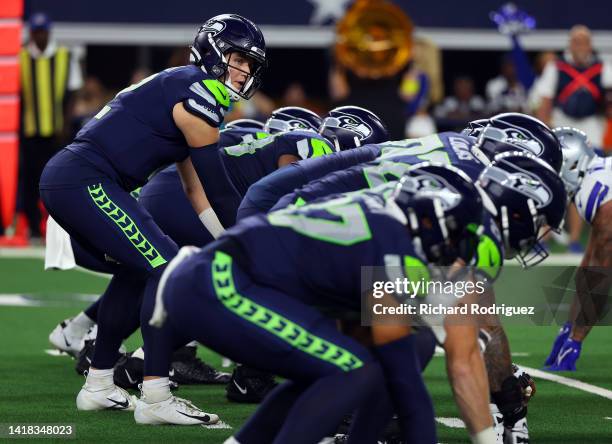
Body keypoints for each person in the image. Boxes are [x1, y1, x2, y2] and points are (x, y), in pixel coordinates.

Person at [152, 169, 496, 443]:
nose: (455, 248)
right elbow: (407, 385)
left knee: (350, 364)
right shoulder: (393, 246)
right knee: (355, 368)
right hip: (213, 282)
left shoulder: (382, 223)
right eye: (455, 233)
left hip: (213, 280)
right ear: (428, 218)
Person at [39, 13, 267, 425]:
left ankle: (99, 384)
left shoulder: (181, 84)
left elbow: (196, 191)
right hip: (86, 180)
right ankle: (156, 394)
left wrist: (227, 240)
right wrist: (255, 244)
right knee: (168, 271)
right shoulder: (200, 93)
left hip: (82, 179)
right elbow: (219, 190)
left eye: (251, 64)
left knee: (138, 271)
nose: (245, 71)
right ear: (214, 50)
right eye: (240, 58)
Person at [545, 127, 611, 371]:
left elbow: (601, 279)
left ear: (572, 163)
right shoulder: (596, 181)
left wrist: (576, 341)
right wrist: (569, 326)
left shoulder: (597, 195)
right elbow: (588, 266)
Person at [19, 12, 83, 241]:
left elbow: (74, 92)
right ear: (31, 33)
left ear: (49, 32)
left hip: (57, 132)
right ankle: (34, 228)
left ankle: (59, 227)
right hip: (29, 130)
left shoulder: (64, 57)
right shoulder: (22, 57)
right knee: (29, 179)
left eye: (43, 31)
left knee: (57, 179)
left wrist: (65, 124)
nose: (39, 36)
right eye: (35, 32)